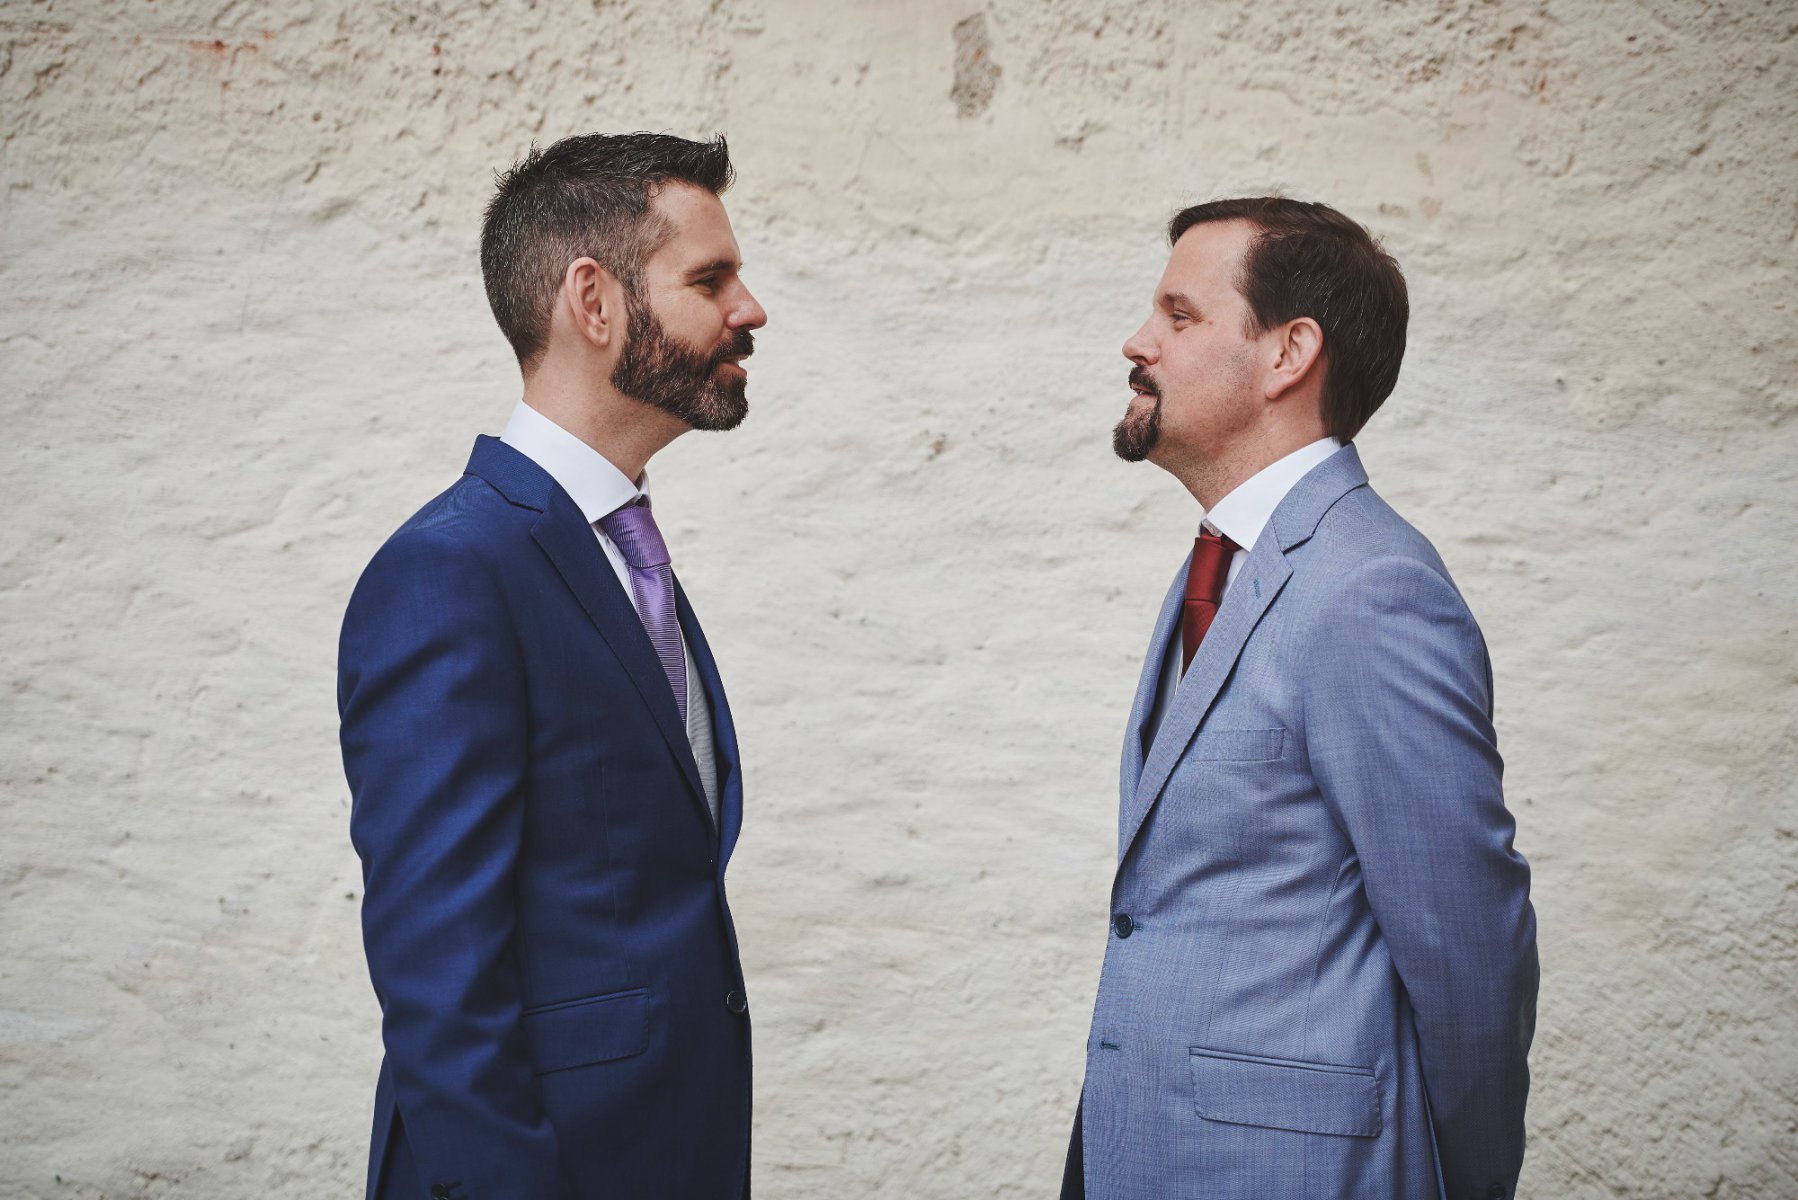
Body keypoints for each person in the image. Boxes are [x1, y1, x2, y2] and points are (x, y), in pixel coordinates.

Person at [1061, 198, 1538, 1200]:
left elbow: (1466, 945)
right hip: (1141, 1152)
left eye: (1179, 315)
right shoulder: (1228, 562)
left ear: (1288, 353)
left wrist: (1465, 1182)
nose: (1138, 342)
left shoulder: (1371, 588)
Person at [338, 132, 767, 1200]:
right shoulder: (452, 570)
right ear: (594, 300)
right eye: (709, 279)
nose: (750, 309)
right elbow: (439, 976)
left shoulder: (617, 551)